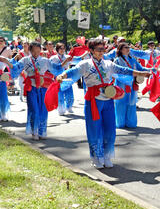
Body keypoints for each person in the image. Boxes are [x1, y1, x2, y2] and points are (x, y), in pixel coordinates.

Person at [56, 39, 152, 168]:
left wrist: (141, 73)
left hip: (108, 99)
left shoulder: (109, 64)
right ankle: (96, 157)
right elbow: (73, 72)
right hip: (93, 100)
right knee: (94, 129)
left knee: (110, 129)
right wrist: (62, 75)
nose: (101, 52)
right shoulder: (85, 64)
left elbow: (123, 70)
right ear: (91, 51)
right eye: (98, 49)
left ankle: (107, 155)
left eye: (103, 49)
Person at [3, 41, 63, 139]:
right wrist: (6, 61)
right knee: (34, 109)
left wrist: (66, 61)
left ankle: (42, 131)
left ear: (40, 50)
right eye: (34, 51)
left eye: (38, 51)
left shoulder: (45, 60)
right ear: (30, 50)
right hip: (31, 87)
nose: (36, 53)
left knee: (43, 110)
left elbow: (57, 68)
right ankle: (34, 131)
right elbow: (16, 68)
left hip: (43, 87)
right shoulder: (25, 60)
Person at [113, 42, 151, 128]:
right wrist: (127, 79)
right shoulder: (117, 60)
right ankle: (120, 123)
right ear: (120, 49)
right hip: (121, 85)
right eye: (125, 47)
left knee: (132, 103)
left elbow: (141, 69)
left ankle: (131, 123)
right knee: (121, 104)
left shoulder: (133, 60)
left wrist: (153, 69)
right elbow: (115, 73)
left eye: (128, 47)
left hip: (132, 85)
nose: (128, 49)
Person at [50, 43, 74, 115]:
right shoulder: (53, 58)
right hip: (58, 77)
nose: (62, 50)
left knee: (69, 93)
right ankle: (61, 109)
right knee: (60, 94)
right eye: (60, 48)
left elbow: (76, 61)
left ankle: (69, 107)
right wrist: (66, 61)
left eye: (63, 48)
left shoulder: (68, 56)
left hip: (67, 76)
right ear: (57, 49)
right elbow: (56, 67)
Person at [0, 36, 13, 121]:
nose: (0, 42)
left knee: (3, 95)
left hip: (3, 73)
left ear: (4, 41)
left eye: (1, 40)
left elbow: (11, 62)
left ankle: (4, 114)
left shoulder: (8, 49)